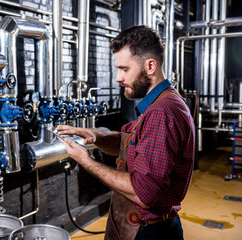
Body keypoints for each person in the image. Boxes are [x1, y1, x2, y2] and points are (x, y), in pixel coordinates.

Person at [56, 25, 195, 240]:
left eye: (124, 69)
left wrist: (87, 162)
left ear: (150, 66)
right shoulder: (158, 103)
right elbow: (129, 141)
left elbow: (143, 193)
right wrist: (94, 135)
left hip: (149, 232)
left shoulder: (163, 112)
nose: (118, 78)